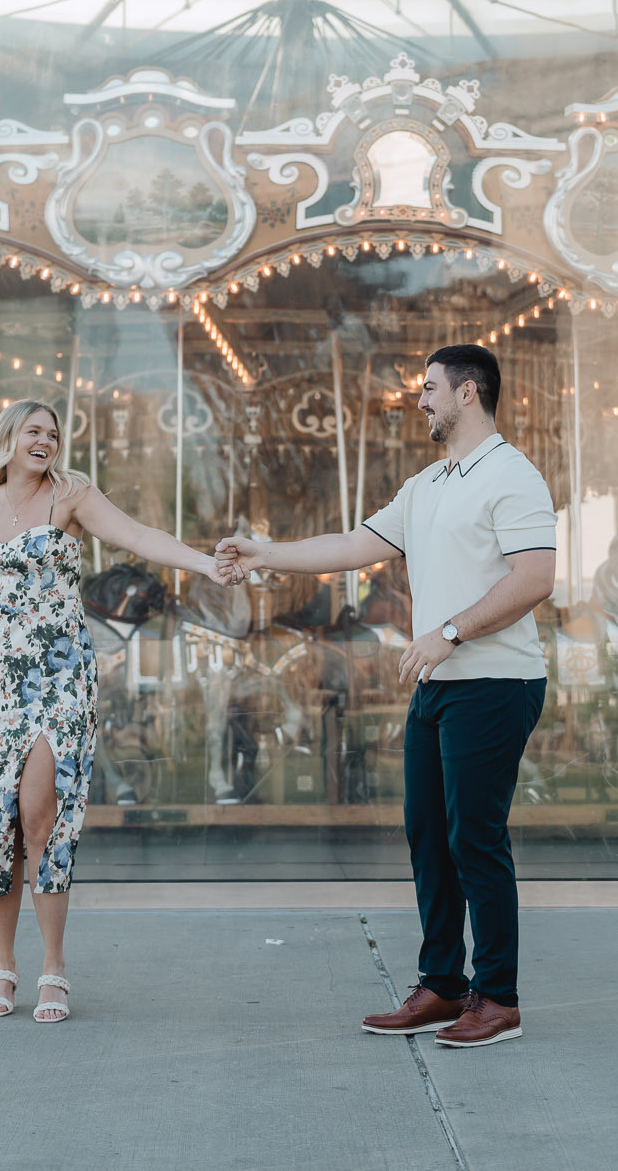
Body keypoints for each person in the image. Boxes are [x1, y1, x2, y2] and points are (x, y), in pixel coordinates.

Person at [216, 344, 556, 1049]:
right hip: (439, 685)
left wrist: (450, 631)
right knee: (430, 834)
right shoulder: (428, 484)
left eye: (431, 388)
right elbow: (351, 546)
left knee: (475, 838)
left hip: (495, 682)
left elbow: (534, 579)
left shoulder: (513, 477)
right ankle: (443, 984)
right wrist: (264, 552)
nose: (421, 399)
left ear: (468, 393)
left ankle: (499, 998)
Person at [0, 399, 230, 1021]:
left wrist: (205, 563)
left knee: (39, 818)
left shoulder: (70, 496)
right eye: (35, 432)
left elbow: (139, 536)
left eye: (54, 434)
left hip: (58, 677)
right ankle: (3, 967)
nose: (46, 442)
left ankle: (53, 967)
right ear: (9, 438)